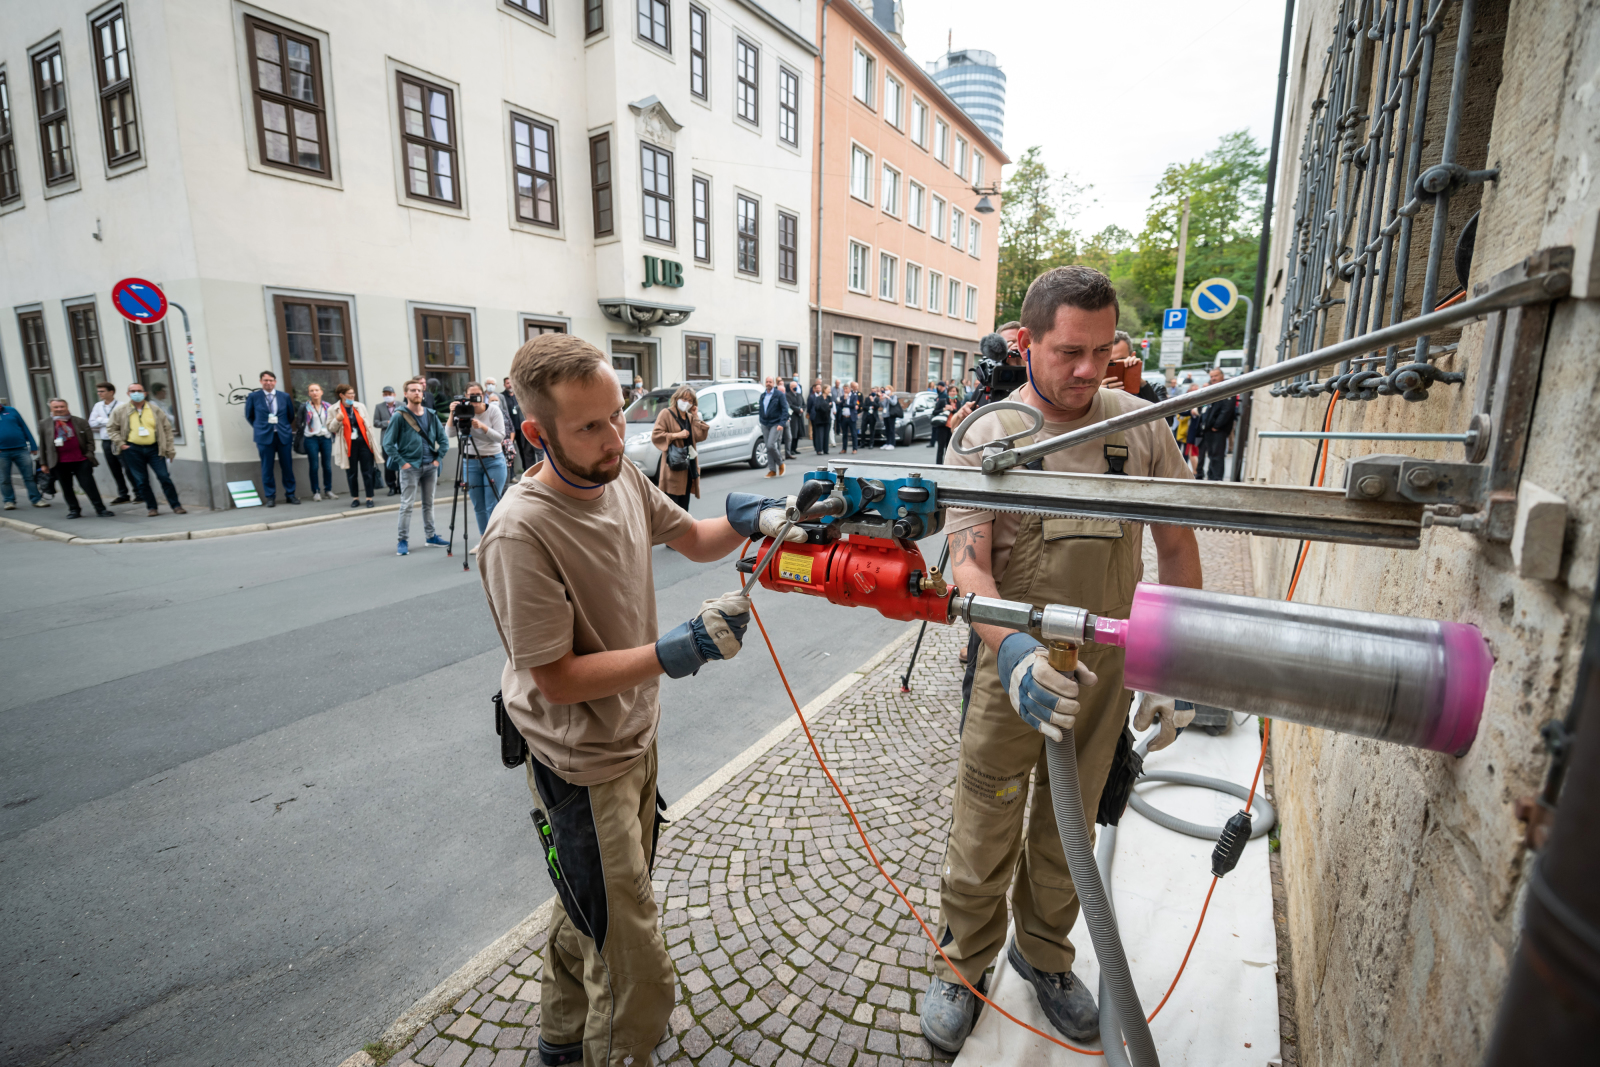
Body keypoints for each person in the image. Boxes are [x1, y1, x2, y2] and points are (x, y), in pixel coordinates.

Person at [477, 333, 798, 1065]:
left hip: (635, 737)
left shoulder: (618, 474)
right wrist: (673, 651)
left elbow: (691, 536)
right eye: (590, 426)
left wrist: (756, 519)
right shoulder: (519, 532)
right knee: (634, 963)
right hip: (581, 763)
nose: (614, 436)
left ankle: (560, 1040)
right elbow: (553, 676)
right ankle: (617, 1049)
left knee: (594, 909)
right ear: (536, 433)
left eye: (618, 415)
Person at [920, 266, 1201, 1052]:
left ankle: (1042, 955)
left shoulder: (1142, 425)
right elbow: (967, 565)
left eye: (1103, 352)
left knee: (1066, 827)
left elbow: (1178, 546)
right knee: (986, 822)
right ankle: (964, 965)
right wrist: (1011, 657)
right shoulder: (987, 435)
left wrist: (1174, 669)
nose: (1089, 371)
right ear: (1026, 342)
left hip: (1105, 671)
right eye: (1069, 352)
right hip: (1010, 666)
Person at [383, 377, 450, 555]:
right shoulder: (399, 416)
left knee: (429, 504)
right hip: (410, 467)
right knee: (407, 505)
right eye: (413, 390)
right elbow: (387, 444)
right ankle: (402, 541)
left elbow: (443, 440)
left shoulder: (431, 414)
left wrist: (437, 460)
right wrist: (402, 463)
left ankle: (431, 537)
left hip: (430, 466)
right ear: (406, 394)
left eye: (419, 390)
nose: (417, 393)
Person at [109, 382, 186, 516]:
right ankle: (152, 507)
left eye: (139, 390)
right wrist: (121, 443)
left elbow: (167, 430)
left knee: (164, 477)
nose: (136, 393)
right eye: (133, 391)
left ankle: (176, 505)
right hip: (133, 449)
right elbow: (111, 428)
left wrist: (170, 450)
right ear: (128, 394)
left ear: (145, 393)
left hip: (155, 449)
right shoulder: (120, 410)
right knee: (141, 481)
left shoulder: (155, 410)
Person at [38, 398, 113, 518]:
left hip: (81, 460)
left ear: (67, 407)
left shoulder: (80, 422)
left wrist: (89, 455)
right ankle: (74, 510)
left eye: (62, 407)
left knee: (89, 486)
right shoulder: (44, 423)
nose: (59, 409)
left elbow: (90, 441)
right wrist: (43, 463)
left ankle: (100, 509)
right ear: (51, 409)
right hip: (59, 462)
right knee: (66, 488)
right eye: (56, 407)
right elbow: (42, 444)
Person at [451, 381, 507, 538]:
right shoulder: (462, 411)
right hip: (470, 462)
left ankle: (495, 538)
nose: (475, 397)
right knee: (478, 505)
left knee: (492, 504)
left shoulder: (494, 411)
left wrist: (483, 427)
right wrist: (452, 413)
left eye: (478, 394)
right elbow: (449, 433)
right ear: (465, 397)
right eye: (471, 395)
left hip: (493, 460)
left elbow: (500, 437)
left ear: (483, 395)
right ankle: (484, 539)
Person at [244, 371, 298, 507]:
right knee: (267, 468)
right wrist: (261, 427)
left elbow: (290, 415)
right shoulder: (253, 397)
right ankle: (270, 497)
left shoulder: (284, 396)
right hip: (264, 437)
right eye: (265, 380)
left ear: (275, 381)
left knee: (287, 467)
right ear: (261, 381)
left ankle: (290, 495)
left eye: (271, 380)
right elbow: (249, 416)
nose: (268, 383)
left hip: (283, 436)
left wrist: (282, 427)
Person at [651, 385, 709, 510]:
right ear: (677, 398)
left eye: (690, 401)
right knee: (672, 509)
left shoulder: (689, 417)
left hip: (688, 467)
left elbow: (700, 436)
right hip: (673, 468)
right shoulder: (666, 413)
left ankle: (683, 529)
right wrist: (676, 435)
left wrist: (696, 416)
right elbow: (656, 436)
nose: (686, 403)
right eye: (684, 399)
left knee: (684, 507)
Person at [327, 384, 379, 509]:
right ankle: (355, 498)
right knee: (351, 473)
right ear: (342, 395)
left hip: (364, 443)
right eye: (350, 394)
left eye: (353, 393)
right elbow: (331, 428)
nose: (353, 396)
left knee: (367, 471)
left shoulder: (359, 406)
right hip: (348, 445)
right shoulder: (333, 409)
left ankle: (369, 497)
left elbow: (368, 424)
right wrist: (337, 419)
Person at [87, 382, 132, 504]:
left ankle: (138, 493)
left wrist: (101, 420)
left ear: (111, 392)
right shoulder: (98, 406)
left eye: (102, 391)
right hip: (106, 441)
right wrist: (110, 420)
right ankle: (123, 494)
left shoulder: (122, 406)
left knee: (128, 468)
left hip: (120, 440)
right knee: (114, 469)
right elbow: (91, 423)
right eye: (98, 391)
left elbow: (123, 422)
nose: (99, 394)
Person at [0, 398, 45, 510]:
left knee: (29, 476)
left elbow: (24, 427)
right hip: (2, 452)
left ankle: (36, 499)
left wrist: (33, 445)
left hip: (21, 449)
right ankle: (9, 501)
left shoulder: (11, 410)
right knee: (4, 478)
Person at [1192, 368, 1237, 481]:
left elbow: (1227, 410)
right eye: (1212, 376)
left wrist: (1216, 426)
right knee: (1211, 455)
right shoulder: (1214, 388)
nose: (1213, 378)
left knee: (1217, 456)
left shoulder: (1227, 388)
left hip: (1218, 429)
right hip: (1208, 428)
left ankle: (1216, 479)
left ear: (1222, 375)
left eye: (1216, 375)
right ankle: (1212, 477)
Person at [296, 382, 337, 501]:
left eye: (317, 390)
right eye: (312, 390)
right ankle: (316, 491)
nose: (314, 392)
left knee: (327, 466)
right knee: (314, 466)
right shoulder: (305, 406)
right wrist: (306, 430)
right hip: (311, 438)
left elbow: (333, 422)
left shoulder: (328, 406)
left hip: (326, 438)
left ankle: (328, 490)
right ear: (309, 393)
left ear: (321, 392)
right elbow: (298, 422)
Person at [371, 386, 401, 495]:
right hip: (386, 439)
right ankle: (391, 486)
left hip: (400, 438)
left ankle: (401, 485)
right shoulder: (379, 407)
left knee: (402, 462)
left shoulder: (402, 405)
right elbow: (375, 422)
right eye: (385, 394)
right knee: (388, 464)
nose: (387, 396)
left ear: (394, 394)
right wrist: (386, 423)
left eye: (389, 393)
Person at [758, 375, 789, 478]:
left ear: (773, 383)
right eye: (767, 382)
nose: (768, 383)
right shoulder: (763, 395)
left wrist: (781, 423)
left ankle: (780, 463)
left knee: (771, 444)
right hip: (765, 423)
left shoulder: (779, 395)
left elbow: (785, 410)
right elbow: (761, 409)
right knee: (768, 447)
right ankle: (772, 470)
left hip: (776, 423)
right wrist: (761, 420)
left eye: (770, 382)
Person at [931, 390, 959, 465]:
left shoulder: (958, 403)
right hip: (943, 427)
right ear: (948, 393)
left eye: (954, 391)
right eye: (951, 391)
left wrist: (952, 409)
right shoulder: (943, 401)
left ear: (957, 393)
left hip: (953, 428)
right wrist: (944, 409)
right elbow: (934, 412)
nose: (953, 393)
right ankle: (939, 465)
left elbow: (959, 413)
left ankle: (947, 464)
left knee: (949, 449)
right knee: (941, 447)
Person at [807, 382, 832, 455]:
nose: (829, 390)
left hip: (827, 418)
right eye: (828, 389)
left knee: (826, 434)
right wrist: (827, 406)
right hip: (819, 419)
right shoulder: (818, 398)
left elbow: (831, 406)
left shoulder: (829, 397)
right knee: (819, 435)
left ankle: (825, 449)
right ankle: (819, 449)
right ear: (824, 390)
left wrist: (825, 406)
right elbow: (817, 407)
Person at [835, 383, 859, 454]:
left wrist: (845, 404)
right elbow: (839, 406)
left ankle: (855, 448)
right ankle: (844, 448)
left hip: (851, 417)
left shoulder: (854, 396)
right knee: (844, 434)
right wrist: (844, 400)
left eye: (846, 389)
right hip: (844, 417)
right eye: (844, 389)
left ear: (849, 389)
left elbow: (853, 405)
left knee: (853, 434)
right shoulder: (842, 397)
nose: (845, 390)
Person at [786, 380, 805, 458]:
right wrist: (798, 410)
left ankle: (795, 448)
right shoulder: (788, 395)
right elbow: (790, 405)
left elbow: (804, 404)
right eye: (794, 387)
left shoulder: (799, 395)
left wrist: (802, 409)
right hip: (793, 416)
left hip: (800, 416)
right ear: (791, 388)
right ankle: (791, 449)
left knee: (798, 433)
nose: (796, 388)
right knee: (793, 433)